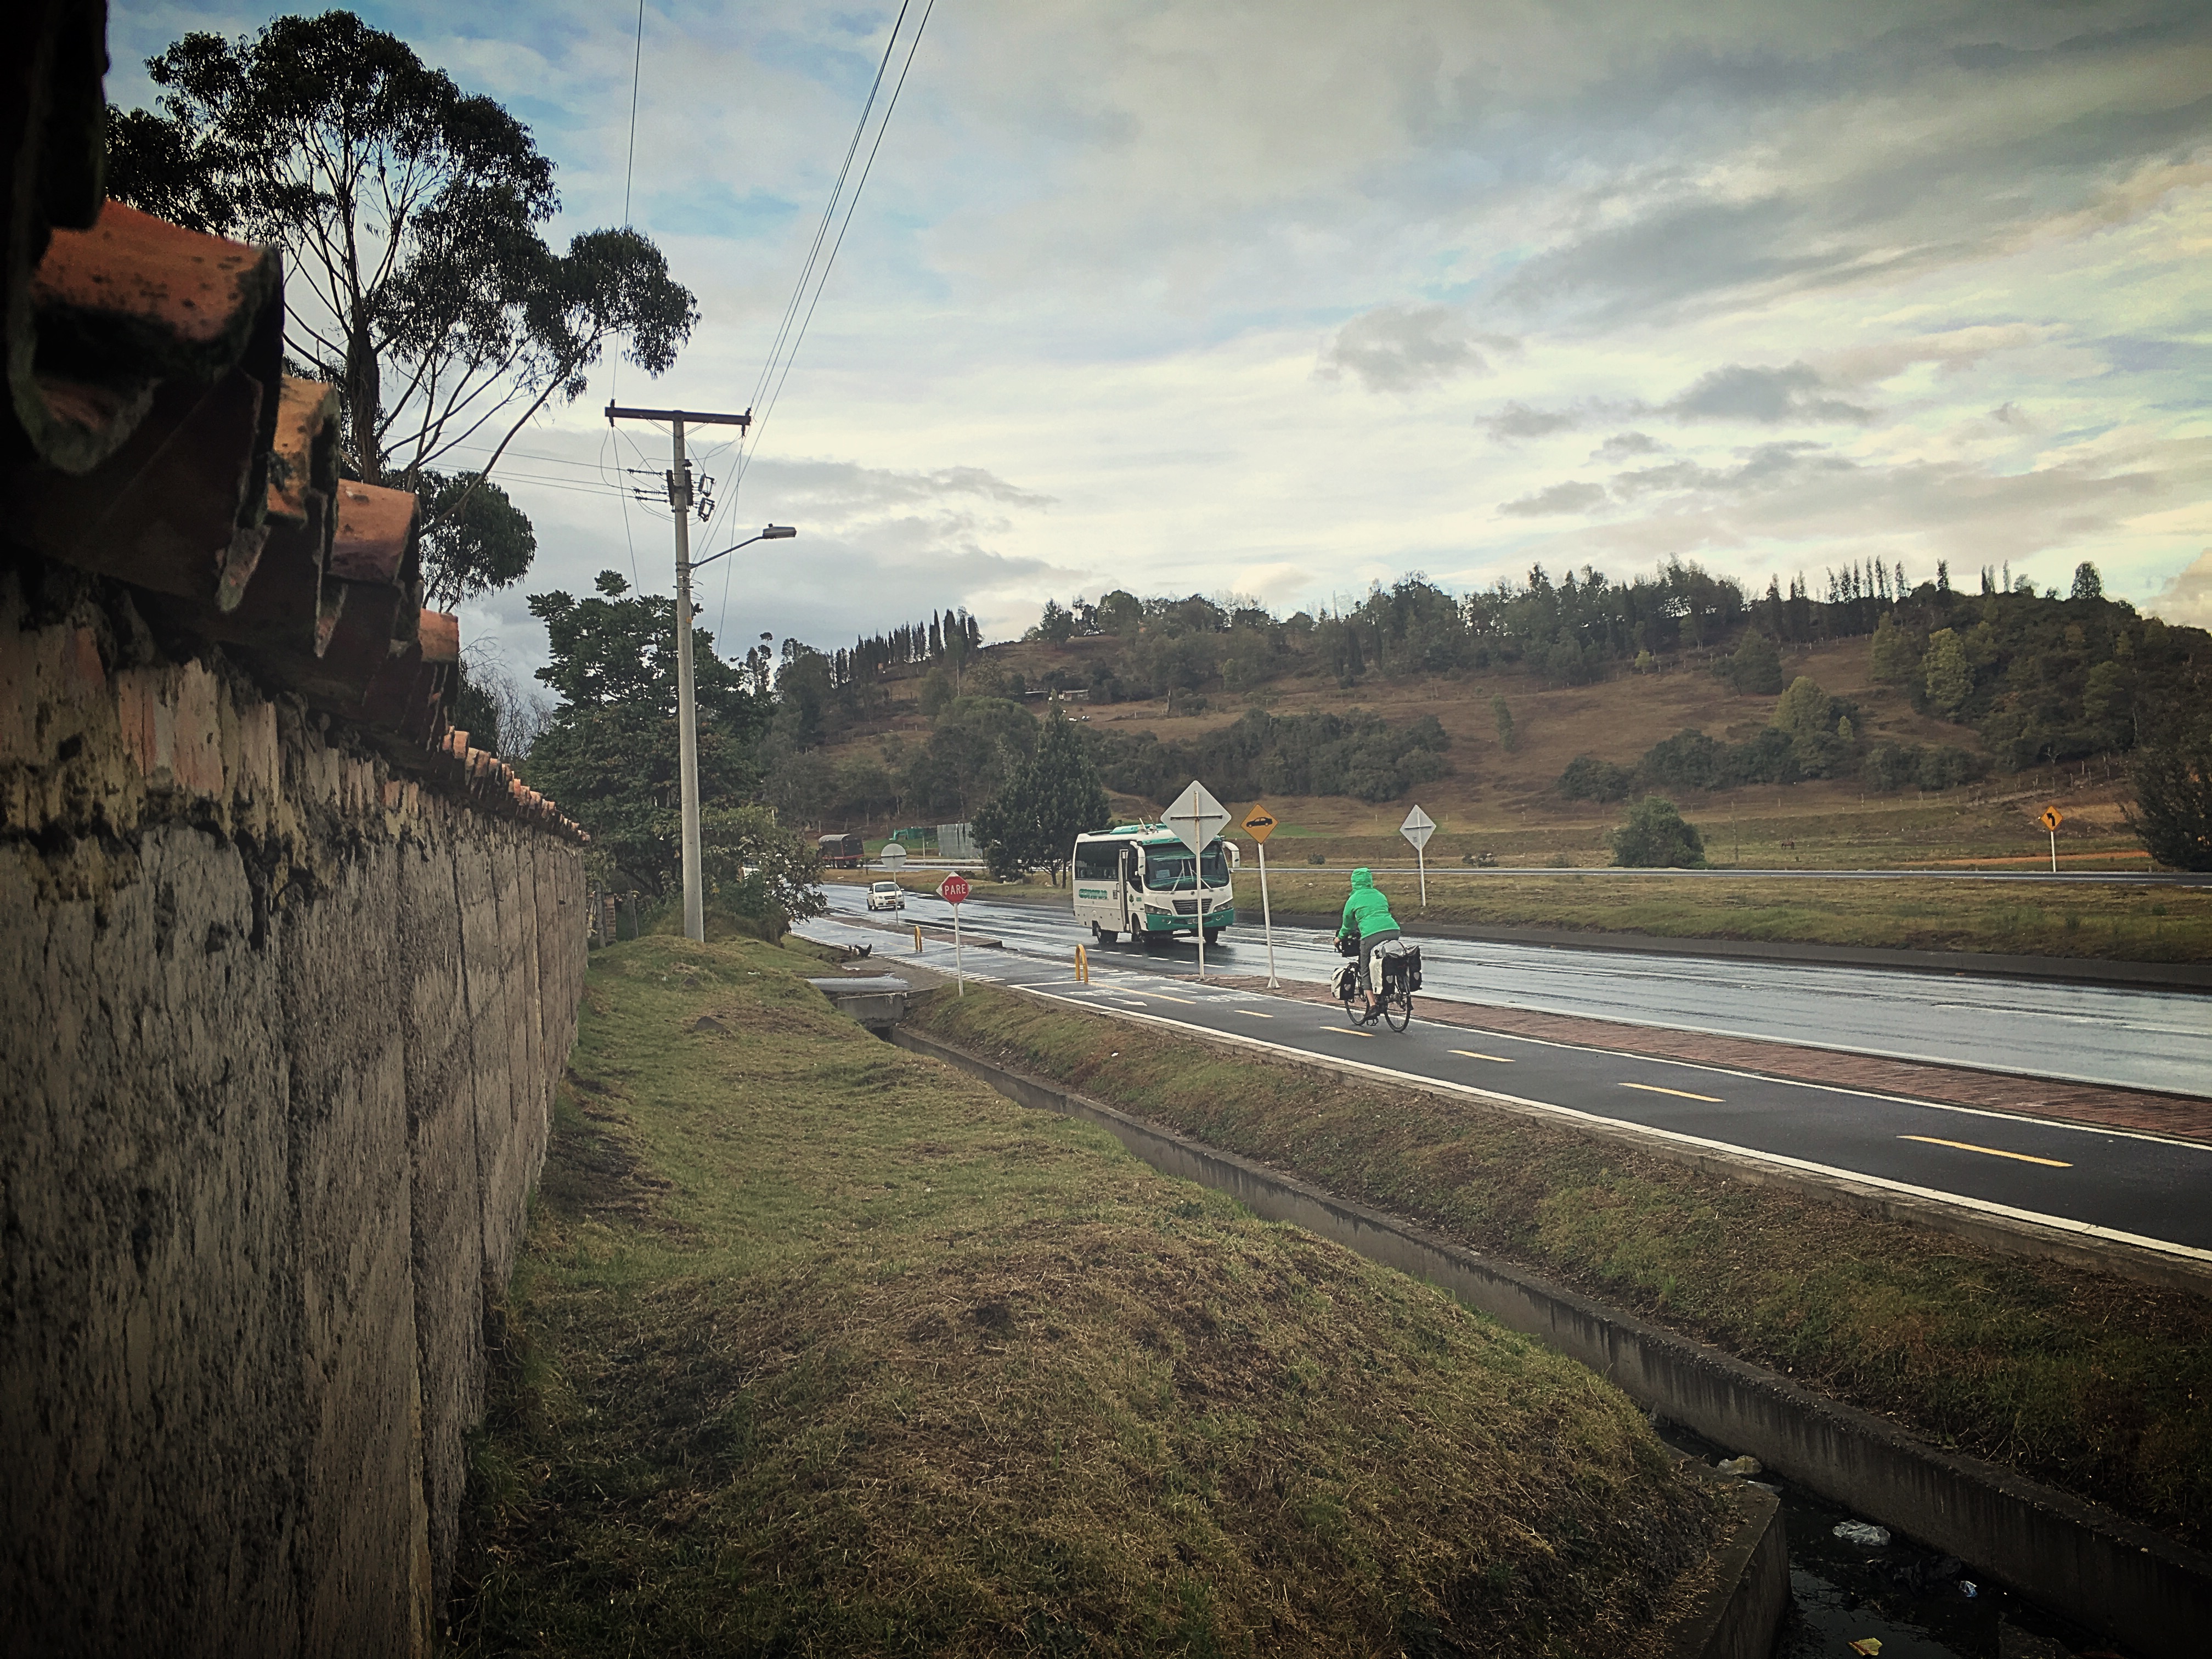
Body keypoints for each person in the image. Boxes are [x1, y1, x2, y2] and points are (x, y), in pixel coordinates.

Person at [1336, 867, 1400, 1019]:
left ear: (1354, 882)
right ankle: (1398, 990)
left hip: (1371, 935)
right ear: (1370, 881)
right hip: (1394, 930)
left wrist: (1339, 938)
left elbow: (1348, 924)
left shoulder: (1353, 899)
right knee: (1389, 960)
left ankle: (1373, 1005)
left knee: (1365, 967)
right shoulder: (1380, 895)